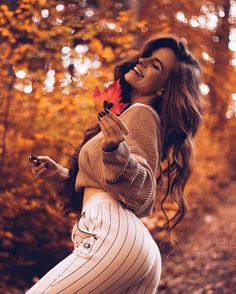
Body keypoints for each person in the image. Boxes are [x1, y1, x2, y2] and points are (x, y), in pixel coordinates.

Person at [27, 34, 205, 293]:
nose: (143, 62)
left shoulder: (141, 114)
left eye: (156, 65)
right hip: (129, 246)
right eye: (147, 57)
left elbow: (142, 191)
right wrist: (61, 176)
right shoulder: (128, 117)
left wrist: (114, 149)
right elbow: (108, 187)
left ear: (164, 89)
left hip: (115, 240)